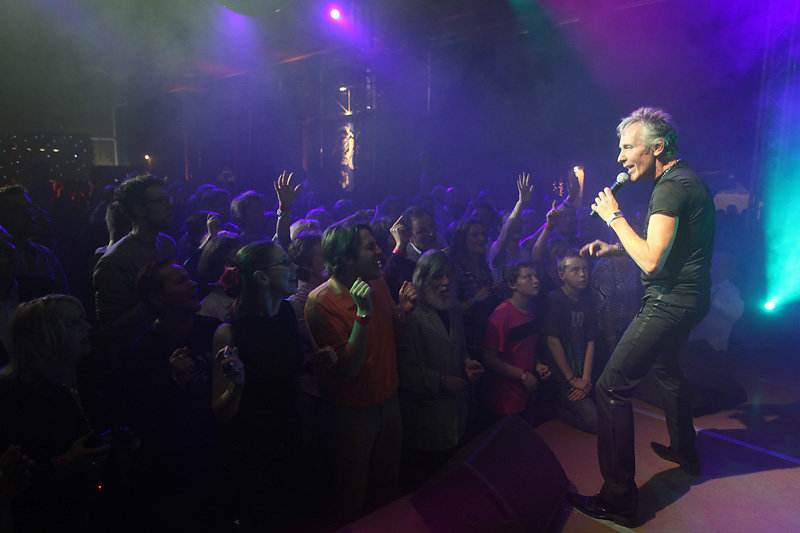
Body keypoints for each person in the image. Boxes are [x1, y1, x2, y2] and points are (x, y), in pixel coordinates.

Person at [567, 107, 715, 527]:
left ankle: (618, 499)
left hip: (668, 302)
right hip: (692, 298)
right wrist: (614, 248)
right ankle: (684, 449)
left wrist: (614, 218)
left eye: (628, 147)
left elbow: (651, 261)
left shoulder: (670, 189)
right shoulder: (684, 180)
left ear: (657, 147)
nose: (620, 157)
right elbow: (668, 247)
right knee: (665, 369)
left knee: (611, 387)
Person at [305, 224, 416, 524]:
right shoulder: (321, 301)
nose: (380, 251)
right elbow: (350, 368)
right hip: (352, 412)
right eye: (370, 247)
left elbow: (396, 340)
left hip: (389, 402)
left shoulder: (376, 283)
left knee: (386, 488)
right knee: (352, 496)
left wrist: (405, 314)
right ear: (346, 258)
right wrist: (362, 314)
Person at [0, 295, 111, 531]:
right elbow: (12, 475)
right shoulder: (12, 395)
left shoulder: (89, 371)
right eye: (72, 323)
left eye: (82, 318)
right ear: (42, 338)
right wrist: (62, 464)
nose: (87, 326)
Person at [397, 250, 483, 485]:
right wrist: (441, 381)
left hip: (457, 417)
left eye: (449, 275)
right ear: (422, 279)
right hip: (428, 422)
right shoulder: (410, 314)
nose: (446, 281)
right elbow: (404, 370)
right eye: (438, 276)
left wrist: (467, 364)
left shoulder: (452, 308)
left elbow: (459, 347)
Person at [92, 175, 178, 357]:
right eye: (162, 201)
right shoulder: (115, 260)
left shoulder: (167, 244)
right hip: (138, 358)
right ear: (139, 210)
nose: (170, 206)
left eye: (169, 199)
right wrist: (153, 299)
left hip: (170, 348)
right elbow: (111, 329)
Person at [481, 261, 550, 425]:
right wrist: (522, 375)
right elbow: (489, 359)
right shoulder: (501, 315)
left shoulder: (531, 309)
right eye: (528, 277)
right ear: (512, 284)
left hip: (527, 392)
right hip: (505, 398)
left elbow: (527, 346)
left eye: (536, 276)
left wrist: (538, 364)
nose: (536, 281)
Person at [543, 250, 598, 434]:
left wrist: (586, 381)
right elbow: (552, 342)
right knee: (595, 423)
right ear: (562, 275)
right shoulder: (554, 299)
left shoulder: (587, 300)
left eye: (585, 269)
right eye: (575, 270)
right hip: (563, 376)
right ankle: (554, 409)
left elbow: (591, 341)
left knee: (609, 412)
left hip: (582, 372)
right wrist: (572, 380)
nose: (582, 274)